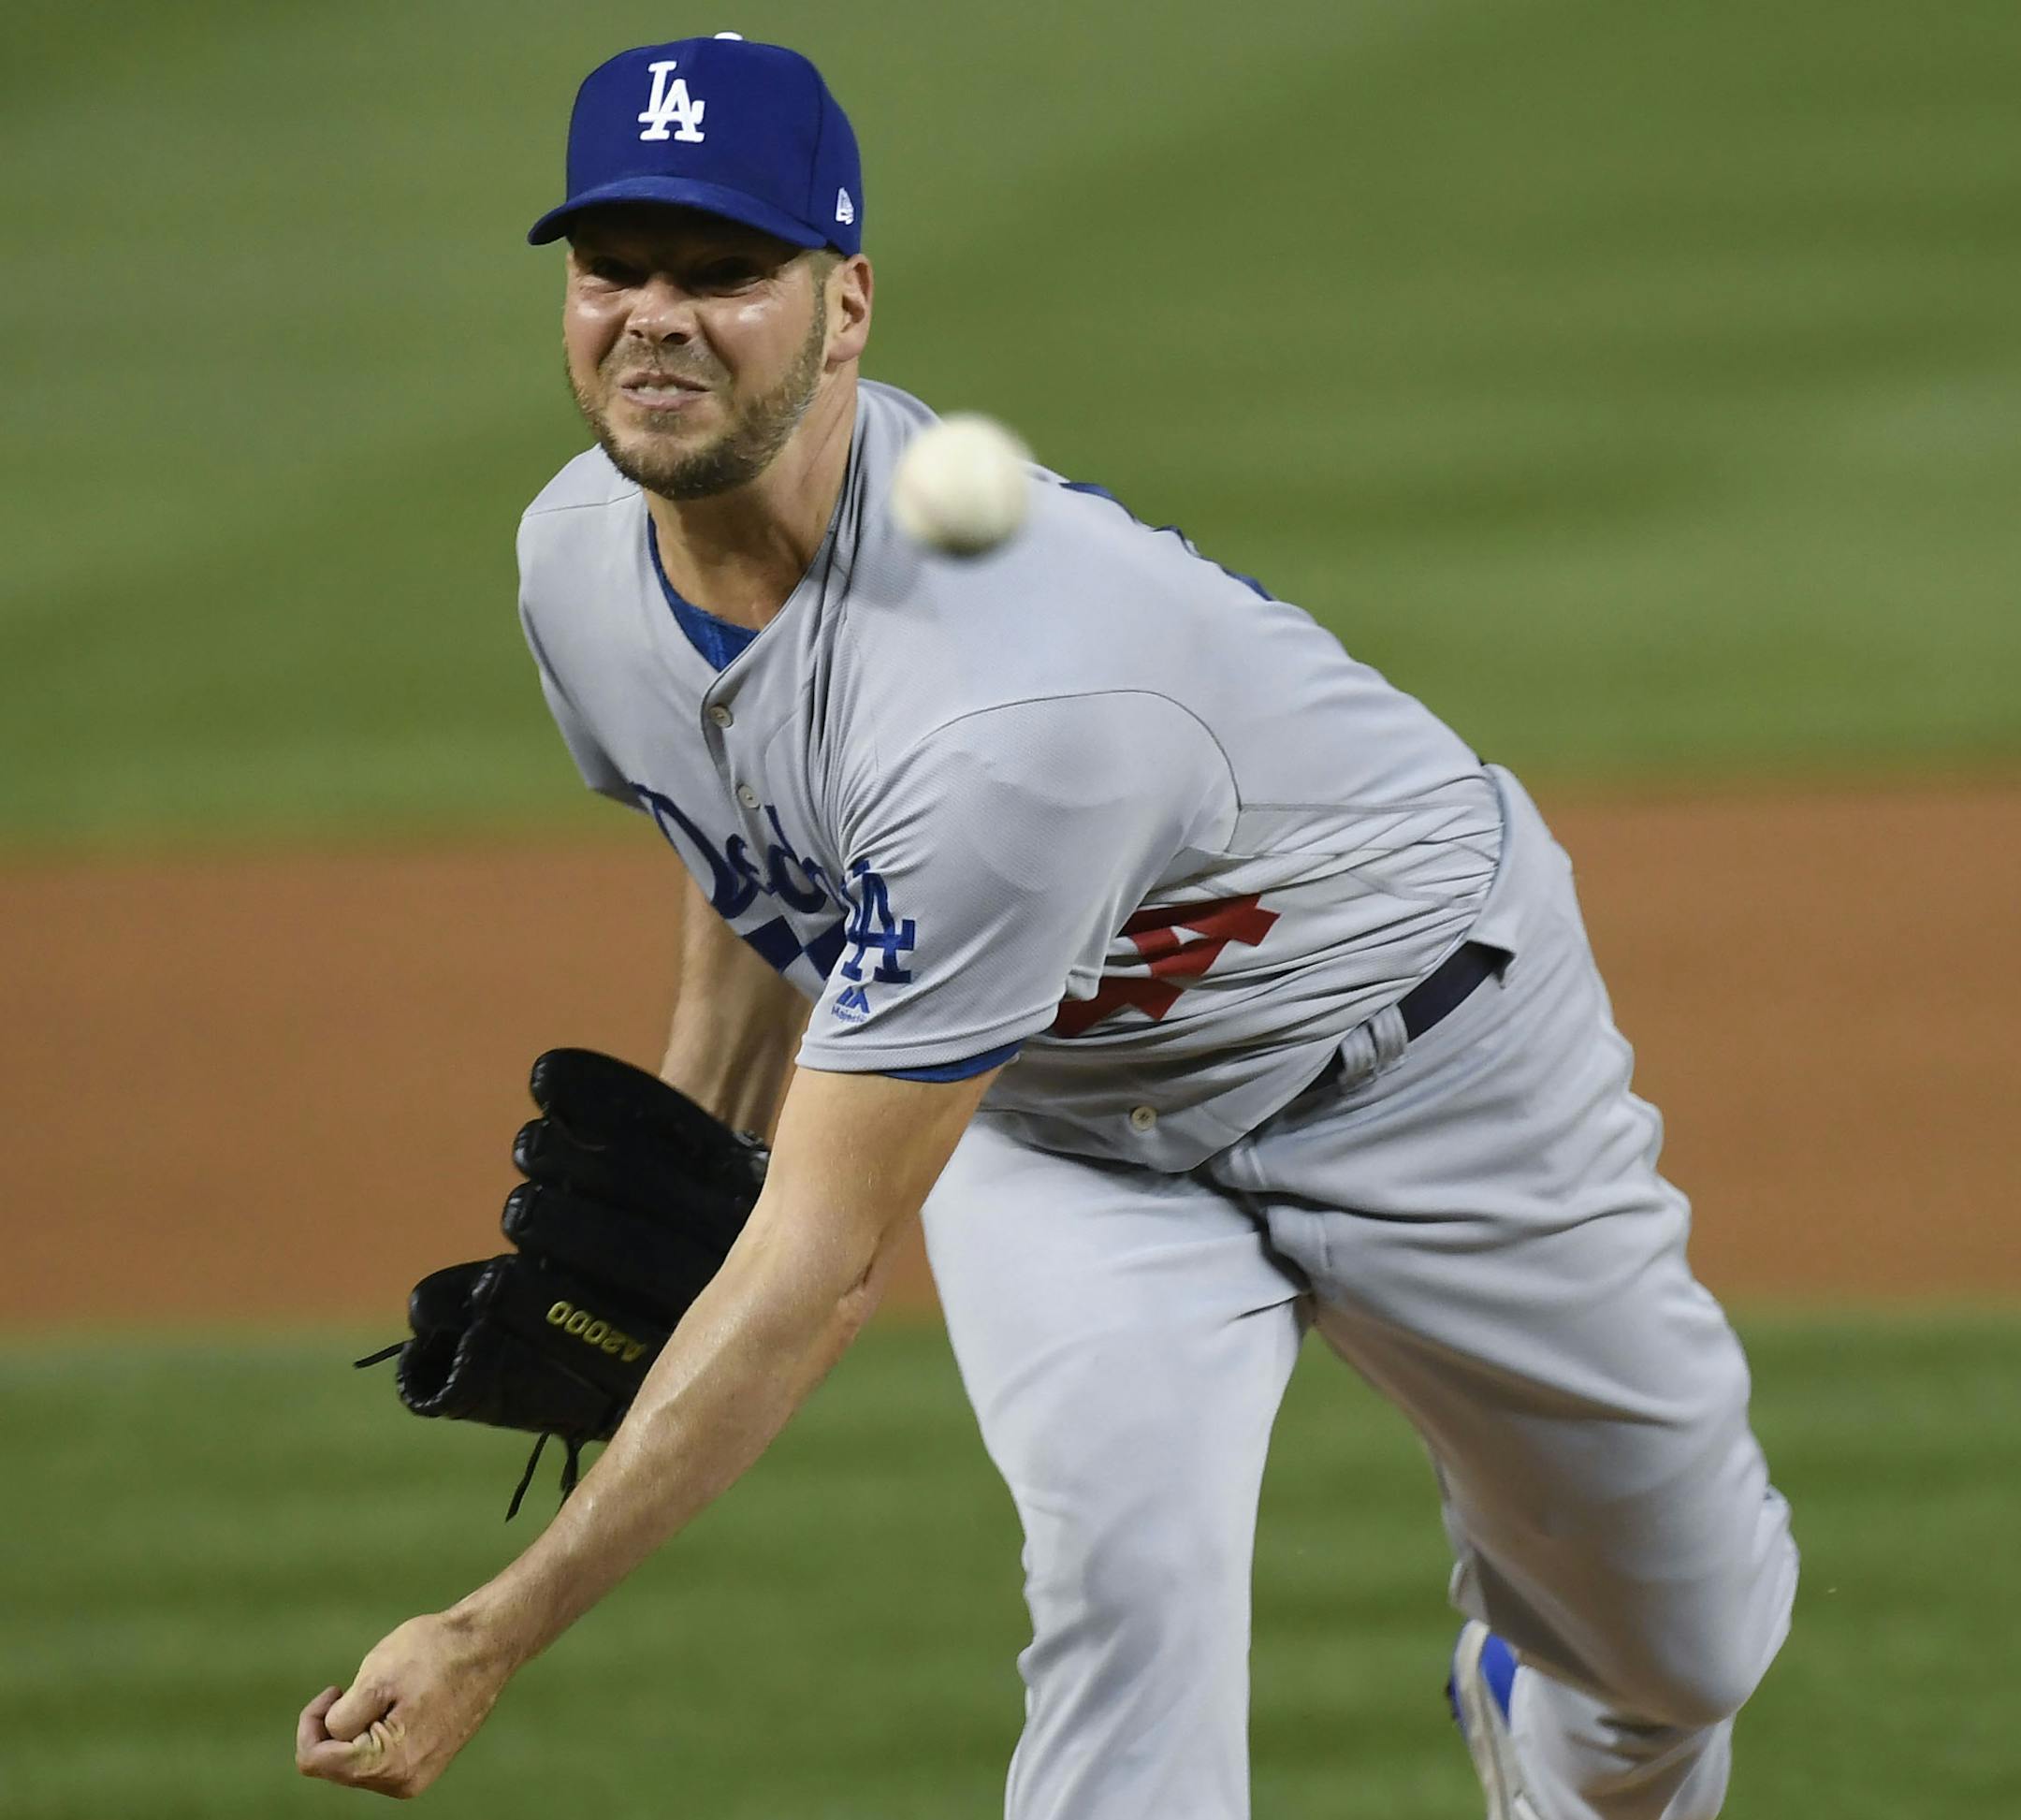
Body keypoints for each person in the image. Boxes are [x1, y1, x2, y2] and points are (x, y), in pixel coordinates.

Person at [296, 35, 1796, 1818]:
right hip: (1069, 1124)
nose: (655, 319)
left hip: (1428, 1059)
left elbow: (827, 1258)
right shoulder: (576, 563)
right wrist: (696, 1145)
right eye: (613, 268)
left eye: (725, 274)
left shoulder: (1000, 703)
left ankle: (1539, 1699)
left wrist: (494, 1625)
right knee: (1122, 1597)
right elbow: (753, 843)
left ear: (845, 305)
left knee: (1679, 1652)